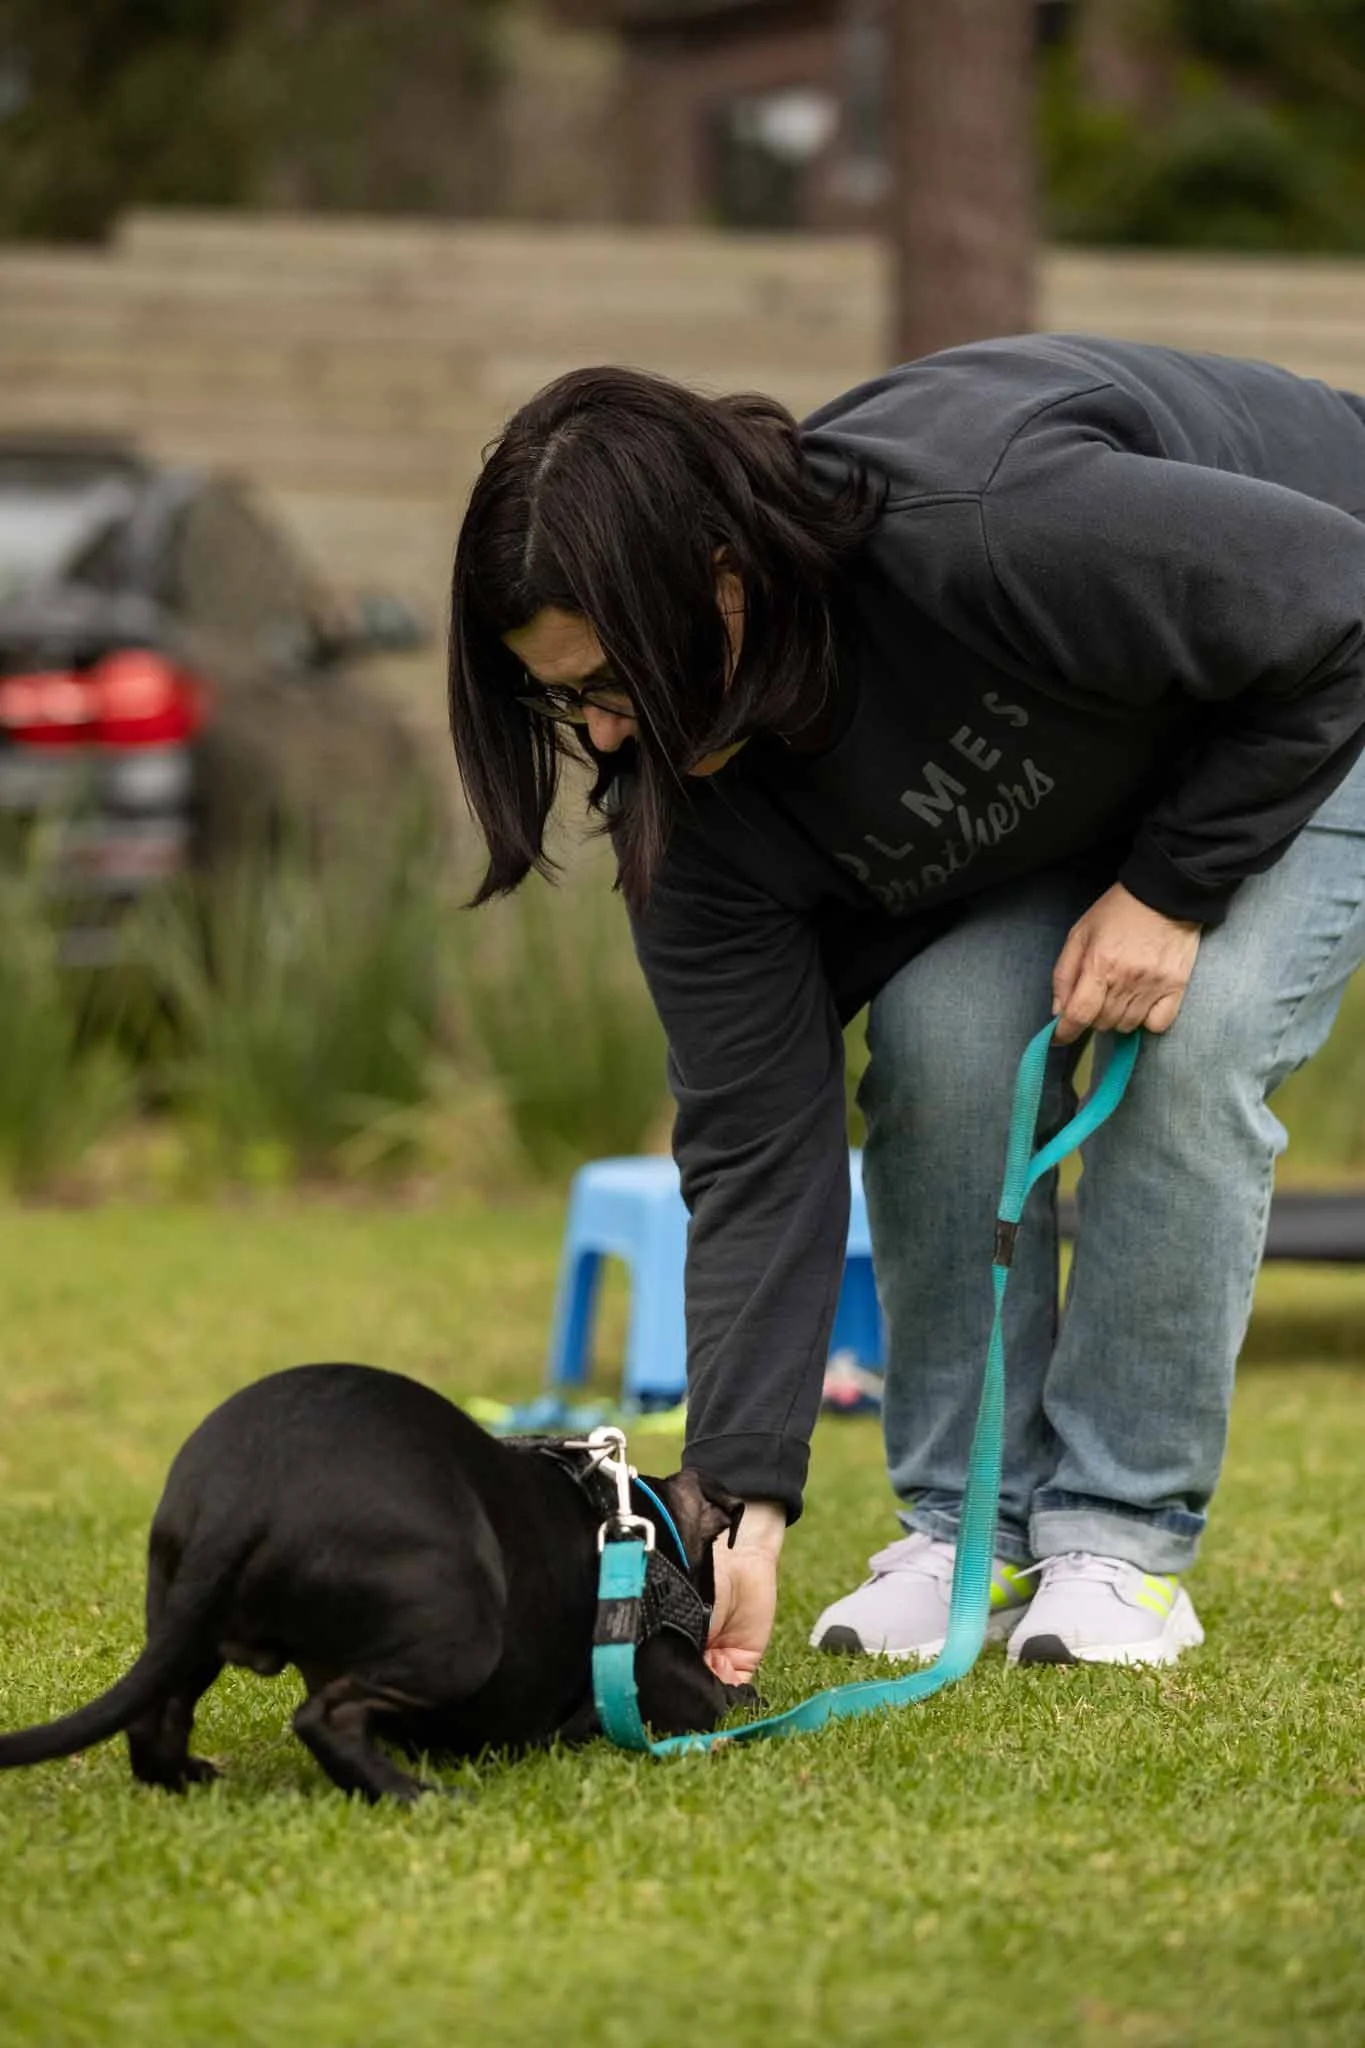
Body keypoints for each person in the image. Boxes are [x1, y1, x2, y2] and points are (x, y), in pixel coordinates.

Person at [448, 334, 1365, 1680]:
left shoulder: (983, 529)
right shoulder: (692, 832)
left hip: (1322, 668)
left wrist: (1171, 890)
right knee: (940, 1045)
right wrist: (734, 1500)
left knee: (1194, 1036)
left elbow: (1338, 604)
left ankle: (1120, 1535)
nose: (597, 735)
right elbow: (759, 1151)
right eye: (561, 697)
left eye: (611, 679)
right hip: (1118, 742)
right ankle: (964, 1524)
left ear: (720, 581)